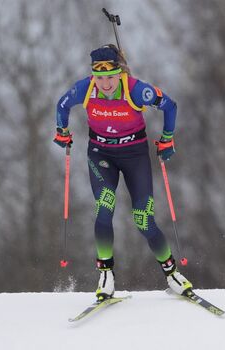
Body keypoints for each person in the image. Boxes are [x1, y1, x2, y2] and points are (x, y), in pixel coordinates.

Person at [53, 44, 192, 301]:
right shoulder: (85, 88)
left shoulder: (136, 90)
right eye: (100, 78)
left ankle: (171, 273)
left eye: (110, 77)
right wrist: (62, 132)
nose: (105, 84)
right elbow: (62, 105)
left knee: (143, 219)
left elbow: (169, 106)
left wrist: (167, 139)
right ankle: (106, 274)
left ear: (120, 73)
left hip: (135, 155)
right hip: (101, 154)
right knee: (104, 206)